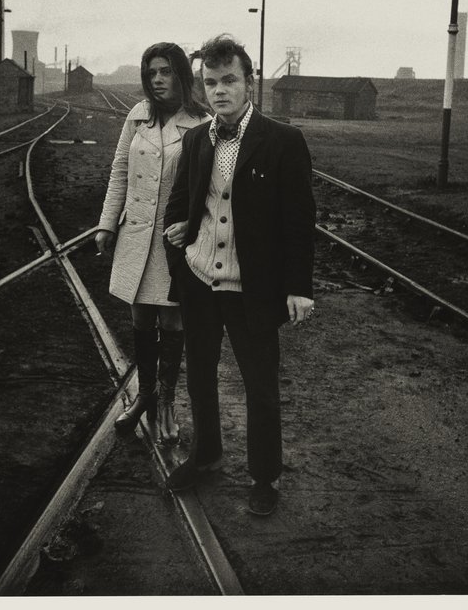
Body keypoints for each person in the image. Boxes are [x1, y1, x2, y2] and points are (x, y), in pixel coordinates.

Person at [163, 34, 316, 516]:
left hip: (253, 290)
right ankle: (206, 454)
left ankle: (264, 476)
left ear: (249, 83)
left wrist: (298, 288)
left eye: (229, 80)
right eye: (210, 82)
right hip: (200, 280)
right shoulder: (196, 138)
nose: (219, 91)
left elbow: (298, 220)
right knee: (200, 379)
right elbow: (182, 198)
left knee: (261, 388)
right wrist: (180, 231)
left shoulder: (283, 141)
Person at [96, 42, 210, 445]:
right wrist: (107, 225)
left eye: (165, 72)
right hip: (135, 235)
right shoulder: (137, 116)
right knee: (141, 320)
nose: (157, 80)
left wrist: (193, 229)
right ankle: (144, 395)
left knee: (172, 321)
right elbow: (120, 171)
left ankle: (166, 403)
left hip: (175, 243)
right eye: (151, 74)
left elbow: (209, 190)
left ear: (182, 75)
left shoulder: (200, 122)